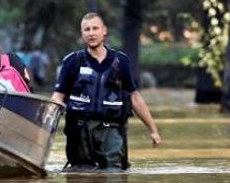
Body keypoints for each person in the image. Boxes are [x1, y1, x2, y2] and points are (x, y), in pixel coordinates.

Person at [51, 12, 161, 171]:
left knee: (113, 176)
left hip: (112, 129)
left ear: (104, 31)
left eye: (95, 28)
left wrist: (153, 130)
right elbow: (58, 97)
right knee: (80, 176)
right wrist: (45, 126)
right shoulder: (72, 62)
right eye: (86, 29)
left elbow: (135, 98)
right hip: (79, 131)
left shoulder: (121, 62)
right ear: (82, 34)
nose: (91, 33)